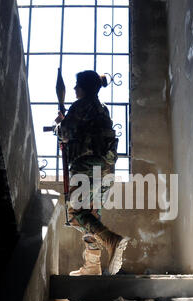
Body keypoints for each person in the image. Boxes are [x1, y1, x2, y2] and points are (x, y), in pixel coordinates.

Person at [55, 70, 129, 276]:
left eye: (76, 85)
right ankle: (92, 265)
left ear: (84, 88)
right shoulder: (102, 109)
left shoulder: (81, 105)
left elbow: (65, 133)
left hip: (86, 166)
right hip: (106, 169)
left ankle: (111, 239)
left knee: (76, 214)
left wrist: (59, 125)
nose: (73, 89)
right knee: (91, 214)